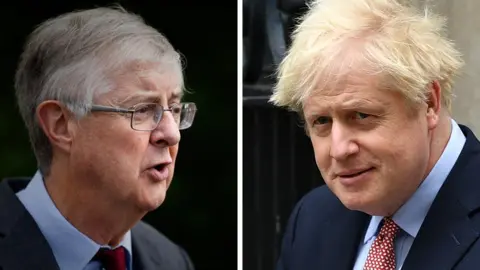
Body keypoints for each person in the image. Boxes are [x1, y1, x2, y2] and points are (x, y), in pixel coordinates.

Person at [270, 0, 480, 269]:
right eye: (321, 121)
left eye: (360, 116)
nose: (339, 149)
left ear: (428, 103)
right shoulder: (312, 219)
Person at [0, 6, 197, 270]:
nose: (171, 134)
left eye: (174, 109)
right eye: (143, 110)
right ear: (61, 125)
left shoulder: (170, 260)